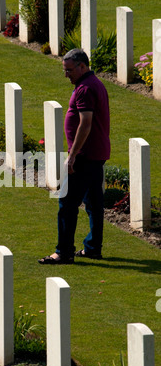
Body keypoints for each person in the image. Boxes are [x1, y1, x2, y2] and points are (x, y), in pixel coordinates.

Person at [38, 48, 110, 265]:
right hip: (96, 154)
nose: (66, 74)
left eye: (69, 70)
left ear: (82, 66)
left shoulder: (85, 89)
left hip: (85, 156)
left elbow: (85, 123)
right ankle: (93, 247)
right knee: (94, 203)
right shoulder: (94, 83)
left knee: (67, 204)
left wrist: (73, 155)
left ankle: (64, 252)